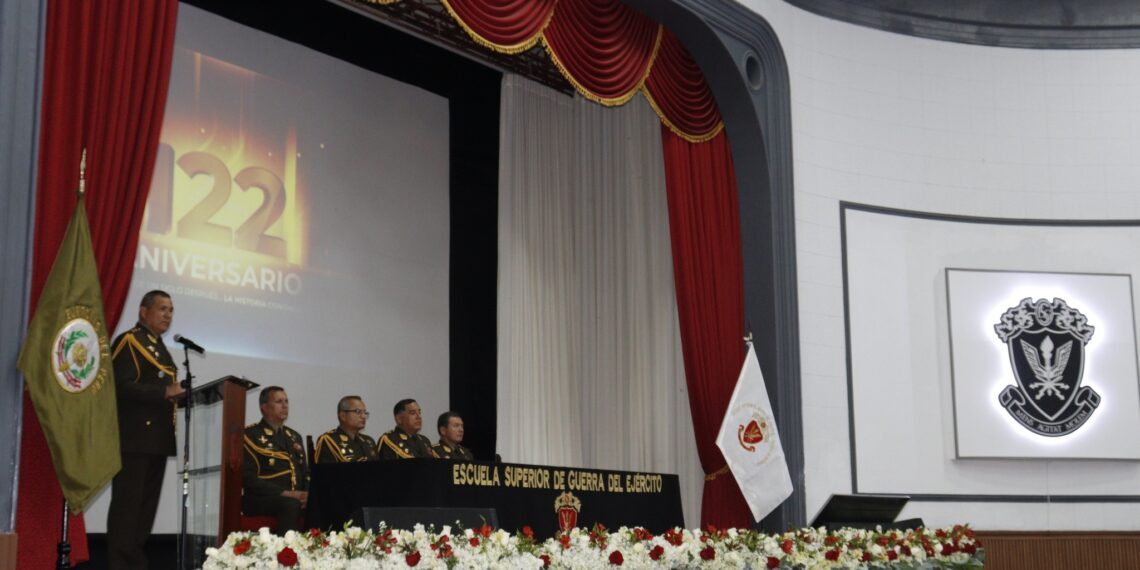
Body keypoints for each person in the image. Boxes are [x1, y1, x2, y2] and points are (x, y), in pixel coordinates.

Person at [107, 290, 186, 569]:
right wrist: (165, 392)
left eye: (171, 310)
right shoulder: (130, 341)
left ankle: (134, 562)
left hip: (156, 439)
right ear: (143, 311)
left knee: (144, 512)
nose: (168, 315)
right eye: (162, 309)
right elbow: (120, 386)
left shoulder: (159, 346)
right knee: (127, 510)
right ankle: (120, 563)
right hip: (135, 438)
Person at [242, 386, 309, 533]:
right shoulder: (250, 434)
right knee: (290, 504)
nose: (285, 406)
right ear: (264, 407)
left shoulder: (294, 436)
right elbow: (247, 478)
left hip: (293, 498)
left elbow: (305, 473)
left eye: (286, 401)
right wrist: (286, 493)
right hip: (260, 498)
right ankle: (288, 551)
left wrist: (307, 495)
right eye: (279, 401)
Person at [313, 395, 378, 463]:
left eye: (365, 412)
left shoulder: (368, 441)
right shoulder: (329, 440)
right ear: (343, 416)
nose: (363, 416)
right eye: (358, 411)